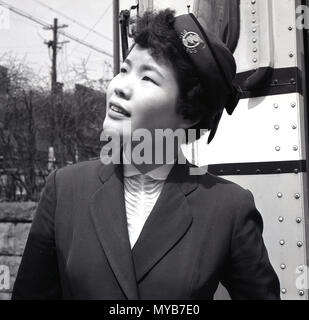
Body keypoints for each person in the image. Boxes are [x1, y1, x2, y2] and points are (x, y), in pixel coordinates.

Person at [12, 9, 280, 300]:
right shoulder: (64, 188)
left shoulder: (229, 208)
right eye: (125, 69)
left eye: (148, 78)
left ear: (188, 114)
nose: (120, 87)